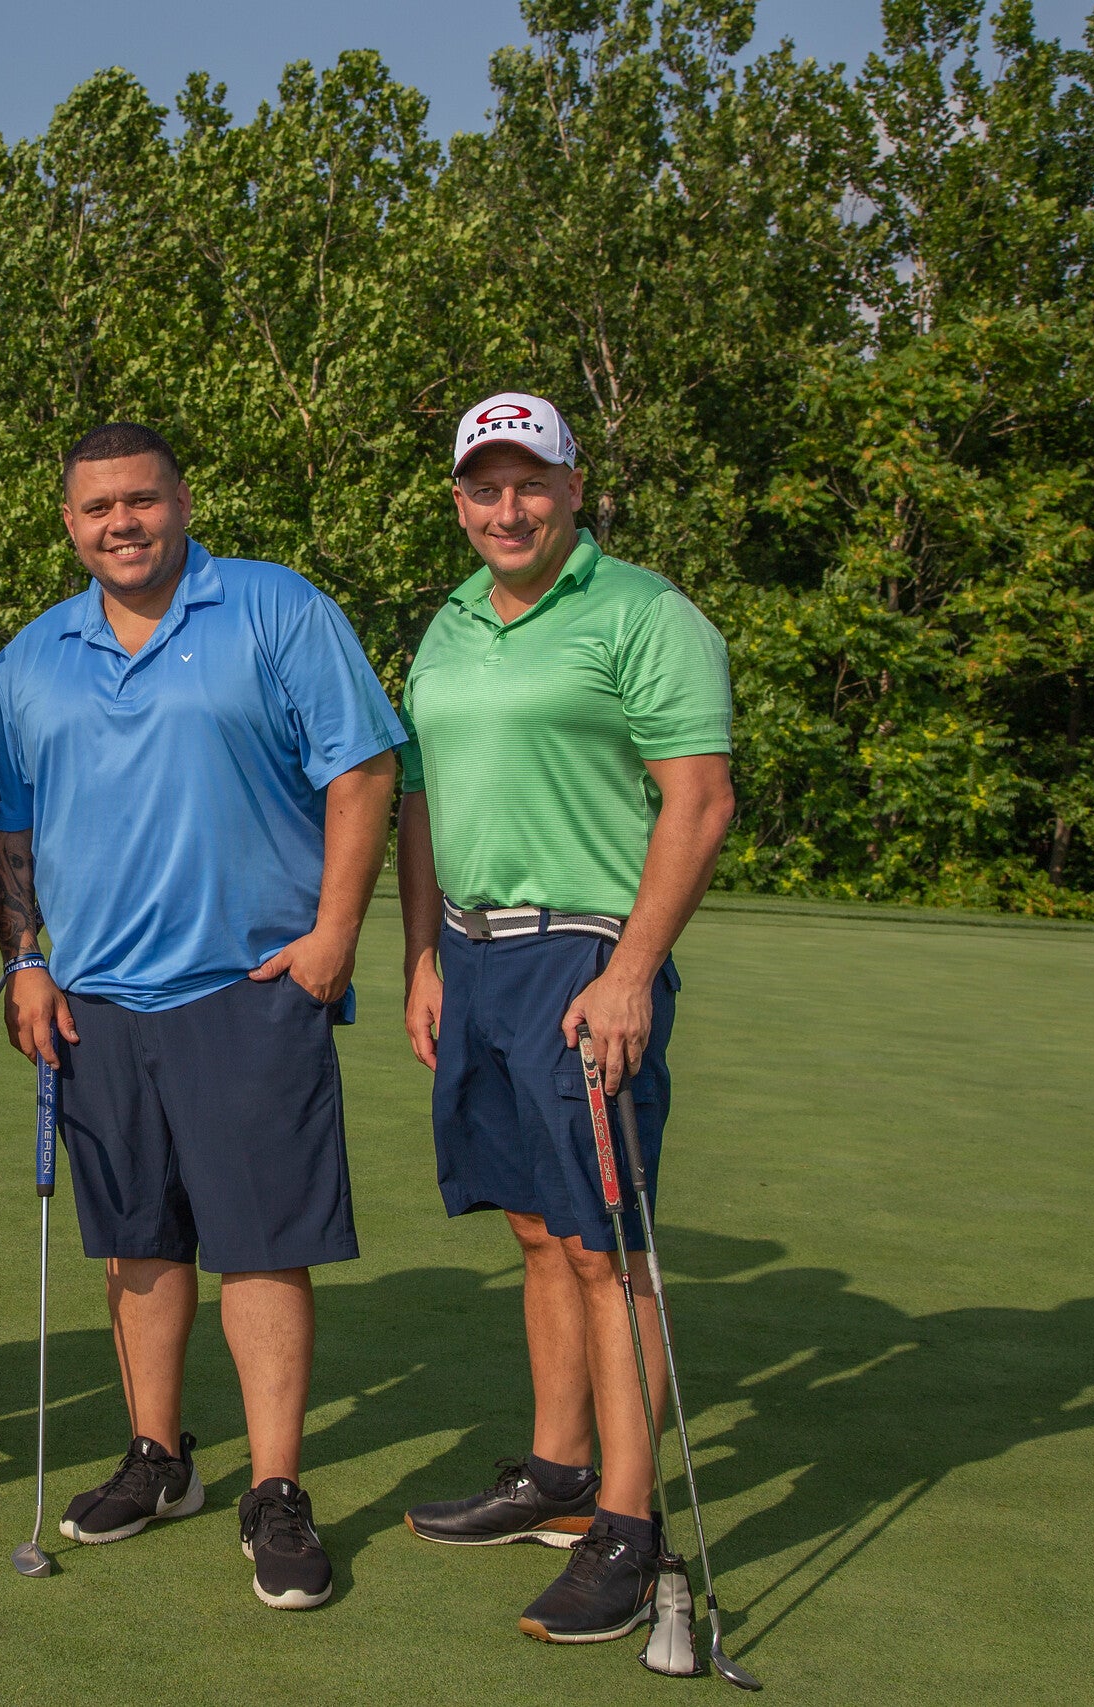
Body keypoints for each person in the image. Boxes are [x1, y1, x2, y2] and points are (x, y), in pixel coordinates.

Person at [0, 422, 403, 1611]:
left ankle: (276, 1490)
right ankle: (158, 1457)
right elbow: (6, 827)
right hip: (96, 999)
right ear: (68, 523)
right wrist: (23, 957)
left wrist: (333, 935)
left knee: (263, 1244)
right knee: (138, 1241)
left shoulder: (273, 609)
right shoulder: (29, 658)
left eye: (142, 501)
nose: (122, 523)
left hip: (248, 987)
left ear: (181, 500)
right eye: (96, 507)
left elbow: (362, 769)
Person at [393, 392, 735, 1643]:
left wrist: (634, 968)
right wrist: (423, 953)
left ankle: (629, 1529)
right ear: (457, 500)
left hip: (585, 954)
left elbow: (698, 800)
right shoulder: (448, 622)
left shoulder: (643, 612)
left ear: (573, 487)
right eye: (483, 487)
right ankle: (555, 1471)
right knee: (536, 1231)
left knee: (604, 1248)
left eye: (528, 482)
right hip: (476, 960)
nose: (506, 507)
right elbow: (419, 802)